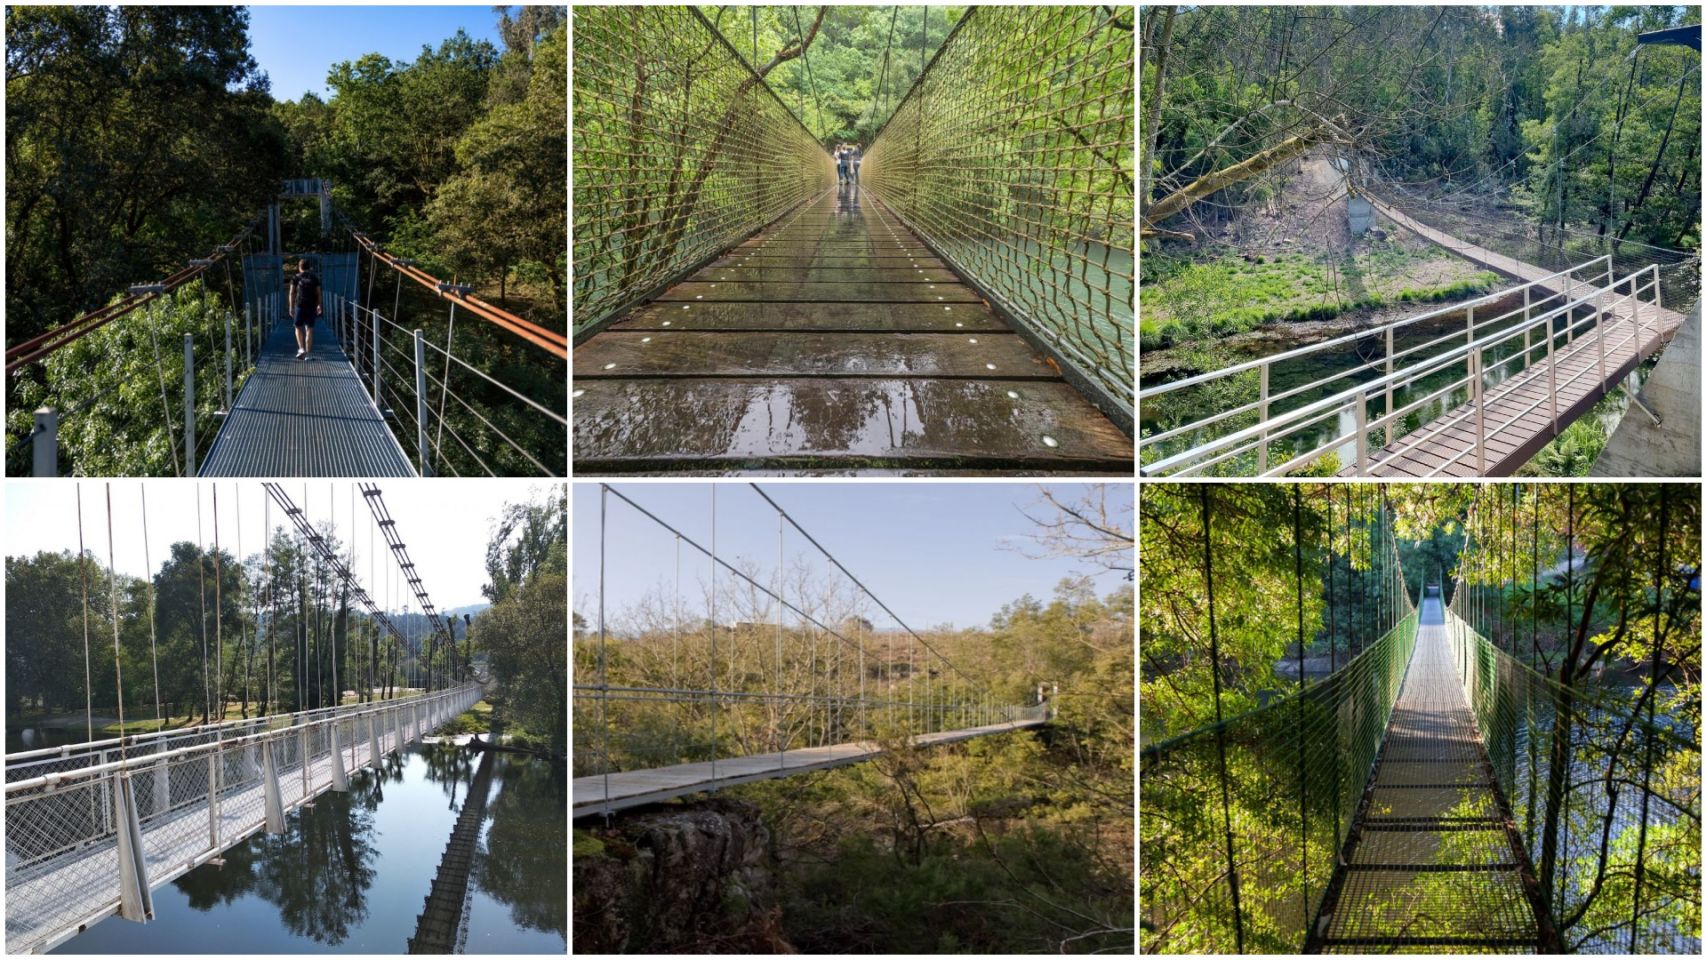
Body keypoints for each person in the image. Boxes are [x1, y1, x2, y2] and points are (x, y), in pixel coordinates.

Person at [288, 257, 322, 360]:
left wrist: (291, 307)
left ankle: (301, 348)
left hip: (300, 305)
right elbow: (319, 293)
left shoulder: (296, 277)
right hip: (311, 306)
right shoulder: (314, 278)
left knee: (298, 327)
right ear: (309, 267)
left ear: (299, 267)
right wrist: (319, 305)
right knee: (309, 330)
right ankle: (308, 355)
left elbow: (291, 293)